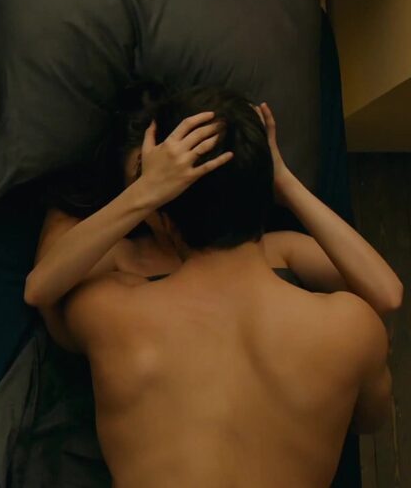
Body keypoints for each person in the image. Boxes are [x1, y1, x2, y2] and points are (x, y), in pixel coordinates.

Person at [23, 85, 399, 486]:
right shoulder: (352, 328)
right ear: (264, 192)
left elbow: (42, 291)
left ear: (165, 215)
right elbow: (370, 419)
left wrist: (145, 192)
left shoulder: (107, 312)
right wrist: (283, 179)